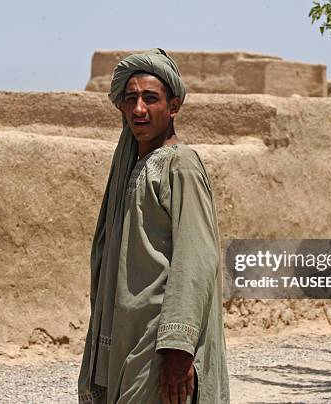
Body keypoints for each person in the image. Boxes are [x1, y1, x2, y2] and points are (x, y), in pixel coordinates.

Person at [77, 48, 230, 404]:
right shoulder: (134, 165)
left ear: (173, 107)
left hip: (158, 345)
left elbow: (196, 261)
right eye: (130, 99)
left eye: (150, 98)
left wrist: (179, 348)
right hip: (127, 338)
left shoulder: (182, 166)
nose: (139, 109)